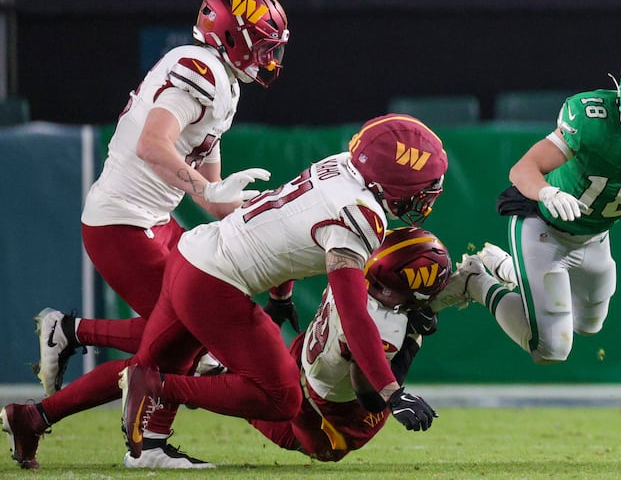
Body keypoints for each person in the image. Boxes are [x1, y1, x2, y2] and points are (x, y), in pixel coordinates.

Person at [0, 112, 448, 470]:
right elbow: (353, 312)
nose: (427, 196)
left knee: (151, 360)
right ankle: (156, 387)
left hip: (193, 256)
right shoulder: (362, 215)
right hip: (216, 284)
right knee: (282, 397)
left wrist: (281, 296)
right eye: (424, 187)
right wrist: (391, 392)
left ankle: (33, 417)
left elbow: (285, 222)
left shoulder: (341, 168)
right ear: (395, 180)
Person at [2, 0, 292, 470]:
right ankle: (145, 444)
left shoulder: (223, 81)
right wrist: (206, 191)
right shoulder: (200, 71)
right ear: (231, 36)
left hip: (153, 221)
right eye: (263, 45)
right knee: (184, 339)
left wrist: (265, 211)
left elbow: (213, 195)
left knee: (178, 340)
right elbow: (153, 146)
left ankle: (43, 395)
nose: (270, 58)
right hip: (122, 225)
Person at [447, 44, 621, 364]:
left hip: (594, 236)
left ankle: (512, 271)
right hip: (543, 226)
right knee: (552, 350)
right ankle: (475, 281)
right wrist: (547, 193)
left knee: (588, 325)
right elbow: (522, 169)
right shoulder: (591, 121)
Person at [251, 226, 451, 461]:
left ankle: (231, 373)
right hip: (331, 408)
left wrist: (280, 297)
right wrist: (412, 342)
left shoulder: (351, 262)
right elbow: (372, 399)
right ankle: (225, 378)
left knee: (262, 397)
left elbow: (288, 251)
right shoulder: (385, 325)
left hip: (305, 354)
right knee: (325, 449)